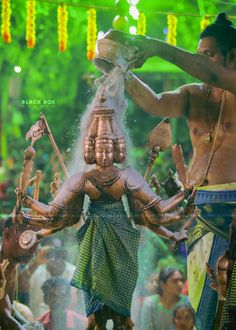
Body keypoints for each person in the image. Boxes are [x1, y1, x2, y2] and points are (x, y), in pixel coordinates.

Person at [104, 12, 236, 329]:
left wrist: (155, 46)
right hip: (199, 209)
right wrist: (119, 68)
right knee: (204, 311)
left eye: (208, 55)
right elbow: (155, 103)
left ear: (231, 56)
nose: (199, 62)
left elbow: (215, 75)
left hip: (232, 211)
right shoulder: (193, 93)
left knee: (229, 308)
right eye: (198, 54)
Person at [18, 94, 191, 329]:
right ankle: (94, 318)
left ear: (117, 148)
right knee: (96, 286)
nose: (104, 154)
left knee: (123, 279)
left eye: (109, 148)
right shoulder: (82, 179)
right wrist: (27, 202)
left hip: (122, 236)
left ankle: (124, 315)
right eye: (100, 149)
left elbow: (157, 207)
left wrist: (184, 195)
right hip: (94, 237)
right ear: (91, 150)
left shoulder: (127, 175)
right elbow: (54, 212)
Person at [0, 216, 39, 329]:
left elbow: (9, 308)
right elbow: (4, 318)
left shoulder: (12, 265)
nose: (33, 249)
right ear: (7, 235)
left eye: (37, 241)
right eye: (27, 240)